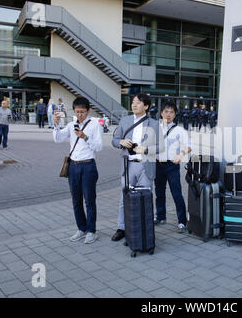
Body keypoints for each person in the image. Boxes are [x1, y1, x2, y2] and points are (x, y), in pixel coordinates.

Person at [111, 93, 164, 242]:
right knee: (124, 198)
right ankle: (121, 227)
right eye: (133, 102)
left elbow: (161, 146)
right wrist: (121, 142)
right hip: (128, 165)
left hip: (145, 166)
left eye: (138, 103)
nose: (134, 105)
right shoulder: (125, 120)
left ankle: (143, 228)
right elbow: (114, 140)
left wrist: (145, 150)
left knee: (145, 199)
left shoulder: (154, 123)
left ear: (146, 106)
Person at [53, 97, 103, 244]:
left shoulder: (95, 125)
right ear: (73, 111)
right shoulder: (71, 125)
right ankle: (81, 228)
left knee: (89, 200)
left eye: (82, 112)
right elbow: (58, 138)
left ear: (88, 111)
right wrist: (56, 124)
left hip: (88, 166)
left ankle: (91, 231)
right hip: (73, 166)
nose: (80, 115)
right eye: (77, 112)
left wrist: (85, 137)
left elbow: (99, 147)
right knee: (76, 200)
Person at [154, 101, 192, 232]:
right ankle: (160, 216)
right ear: (161, 113)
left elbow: (189, 146)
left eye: (171, 112)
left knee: (176, 193)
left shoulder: (179, 130)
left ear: (175, 114)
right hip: (158, 165)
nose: (168, 114)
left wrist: (180, 155)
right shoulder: (156, 128)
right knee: (159, 192)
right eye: (166, 111)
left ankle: (182, 221)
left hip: (172, 166)